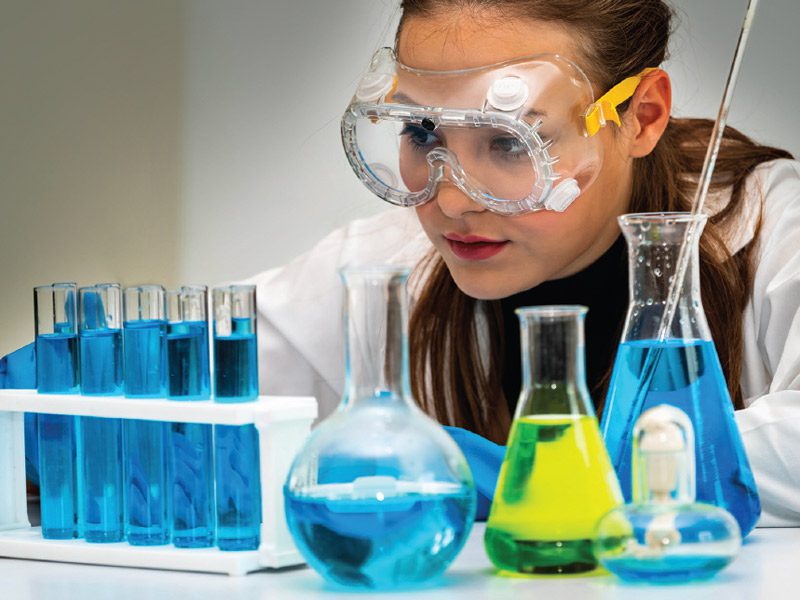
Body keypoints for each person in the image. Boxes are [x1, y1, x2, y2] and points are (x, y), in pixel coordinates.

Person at [246, 0, 800, 527]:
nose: (453, 202)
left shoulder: (766, 225)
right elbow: (200, 377)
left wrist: (531, 477)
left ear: (641, 117)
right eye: (421, 131)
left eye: (512, 142)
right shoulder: (392, 261)